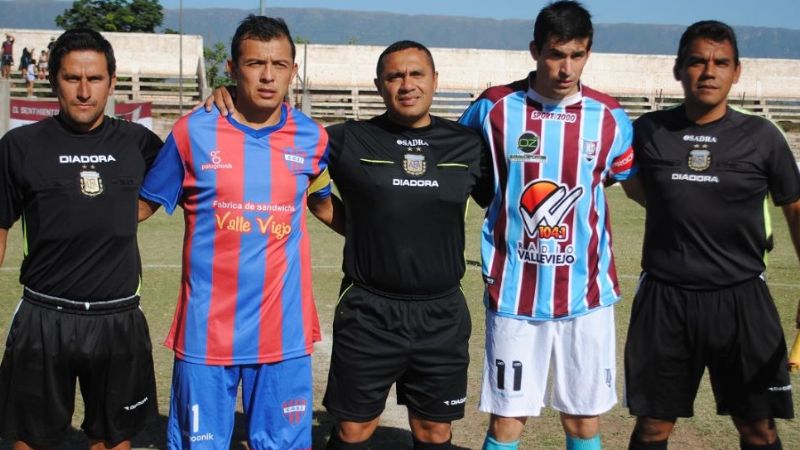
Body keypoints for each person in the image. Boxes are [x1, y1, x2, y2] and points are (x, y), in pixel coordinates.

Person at [207, 39, 493, 450]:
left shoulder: (468, 145)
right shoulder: (346, 139)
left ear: (434, 81)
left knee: (434, 431)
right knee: (353, 430)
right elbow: (283, 146)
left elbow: (502, 202)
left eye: (416, 74)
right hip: (369, 312)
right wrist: (232, 96)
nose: (406, 84)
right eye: (395, 76)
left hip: (441, 314)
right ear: (379, 85)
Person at [138, 15, 329, 450]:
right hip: (207, 335)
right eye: (254, 63)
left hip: (285, 336)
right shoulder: (192, 132)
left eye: (279, 64)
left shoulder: (313, 139)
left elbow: (323, 204)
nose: (267, 75)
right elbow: (143, 206)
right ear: (231, 68)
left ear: (293, 72)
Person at [458, 2, 640, 449]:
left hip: (587, 296)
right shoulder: (494, 108)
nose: (566, 68)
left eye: (577, 55)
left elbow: (617, 181)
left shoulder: (610, 118)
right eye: (557, 54)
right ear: (535, 50)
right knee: (508, 421)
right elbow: (458, 165)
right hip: (514, 293)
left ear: (588, 52)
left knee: (583, 421)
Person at [624, 20, 799, 450]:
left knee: (759, 429)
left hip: (742, 300)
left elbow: (795, 209)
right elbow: (636, 187)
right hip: (665, 300)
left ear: (737, 71)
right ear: (678, 69)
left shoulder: (762, 137)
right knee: (653, 428)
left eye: (721, 62)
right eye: (698, 61)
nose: (709, 71)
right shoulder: (648, 131)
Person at [0, 29, 162, 450]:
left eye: (95, 79)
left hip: (117, 317)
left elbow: (176, 179)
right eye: (73, 79)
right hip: (43, 316)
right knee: (29, 442)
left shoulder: (140, 143)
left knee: (113, 441)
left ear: (112, 80)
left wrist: (128, 214)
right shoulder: (19, 146)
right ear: (54, 80)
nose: (85, 92)